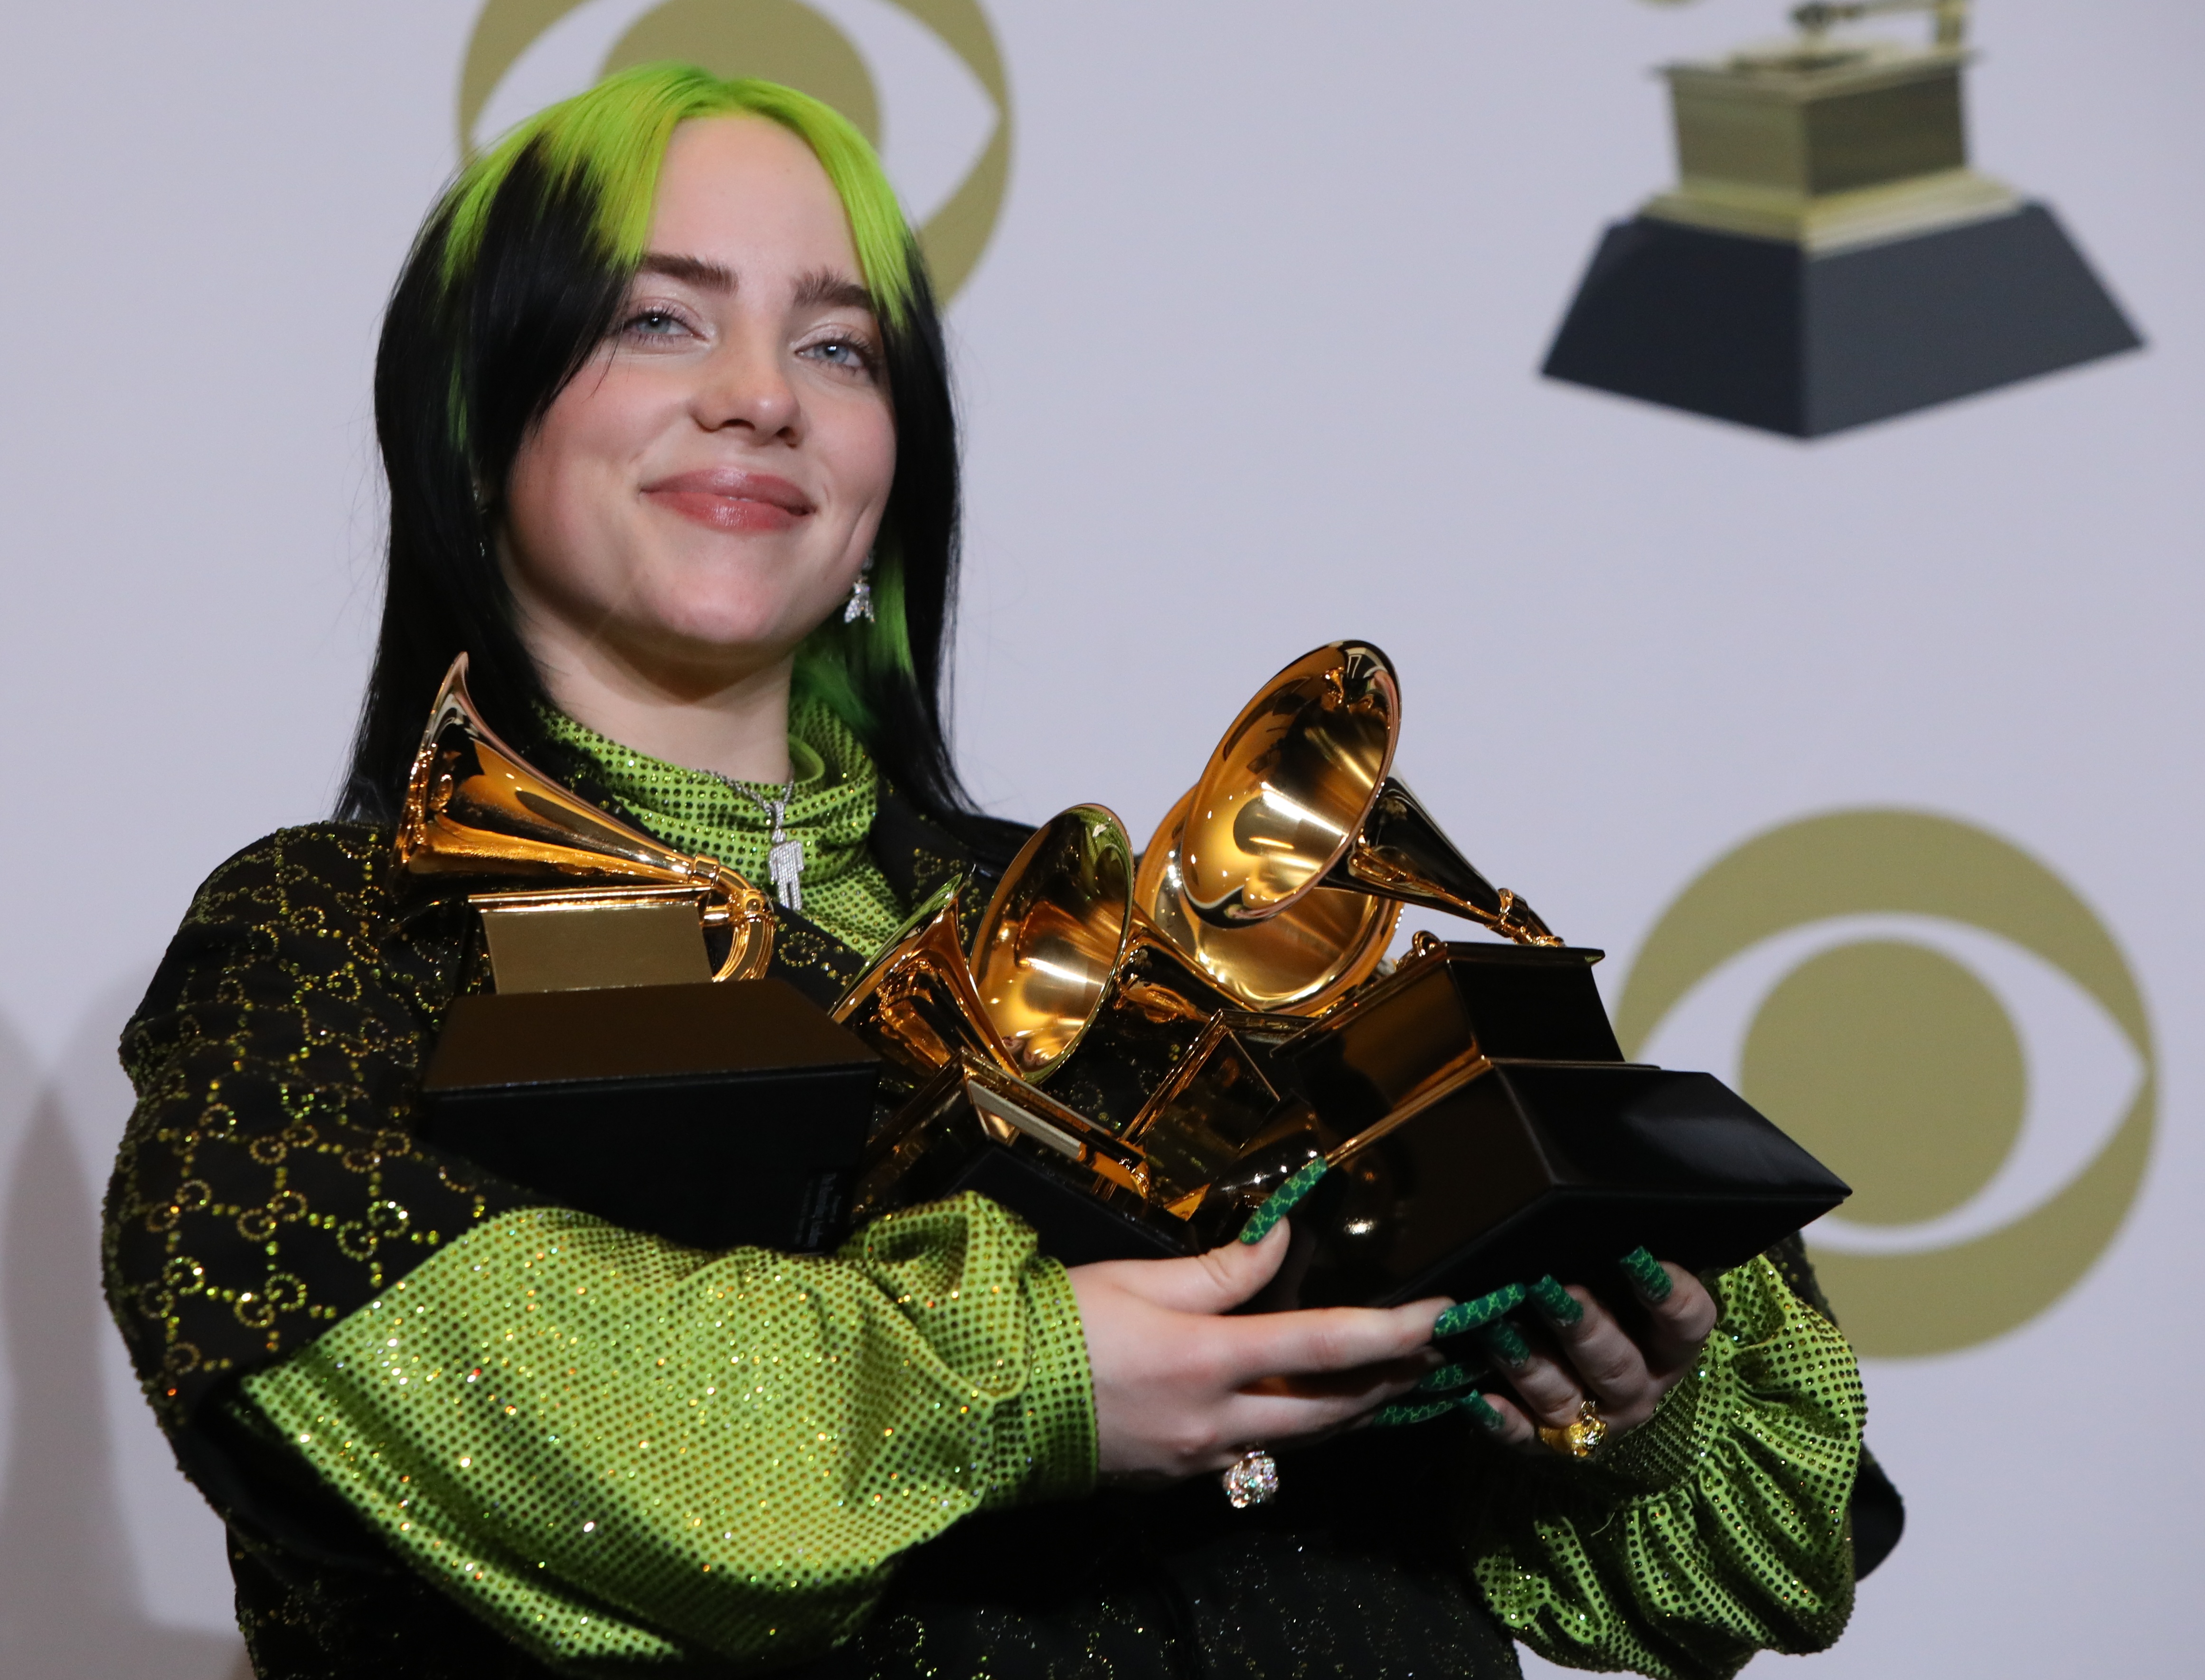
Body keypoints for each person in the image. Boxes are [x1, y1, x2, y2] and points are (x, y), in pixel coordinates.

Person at [104, 65, 1882, 1680]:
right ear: (474, 429)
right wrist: (1030, 1382)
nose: (758, 402)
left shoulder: (1152, 945)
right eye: (659, 320)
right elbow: (472, 1385)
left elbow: (1752, 1567)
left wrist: (1619, 1396)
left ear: (895, 472)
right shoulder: (327, 938)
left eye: (837, 347)